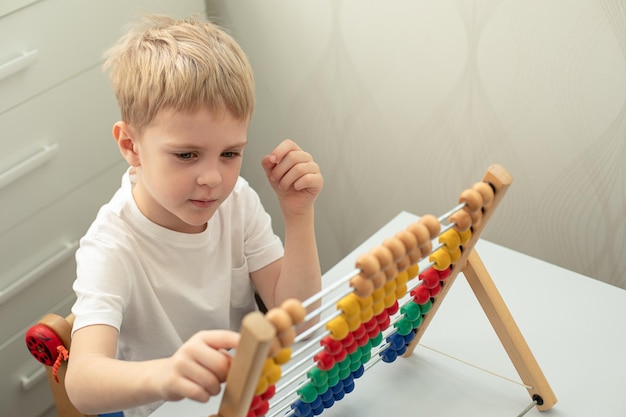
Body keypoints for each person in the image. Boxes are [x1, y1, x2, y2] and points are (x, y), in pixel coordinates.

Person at [65, 14, 323, 417]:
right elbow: (81, 383)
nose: (212, 179)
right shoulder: (111, 246)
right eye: (186, 155)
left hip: (243, 400)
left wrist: (298, 214)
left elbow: (301, 323)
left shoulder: (238, 200)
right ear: (131, 145)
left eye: (230, 154)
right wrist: (167, 375)